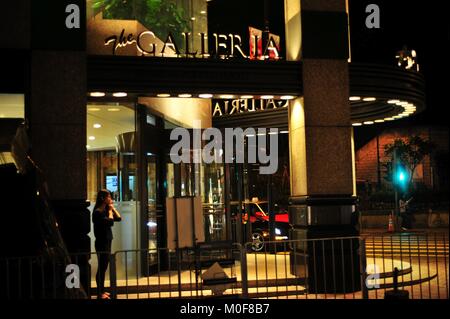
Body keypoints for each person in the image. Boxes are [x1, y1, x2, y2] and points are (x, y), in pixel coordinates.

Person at [92, 189, 122, 299]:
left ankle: (102, 290)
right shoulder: (97, 212)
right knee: (102, 267)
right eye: (108, 196)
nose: (110, 198)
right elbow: (110, 222)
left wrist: (112, 208)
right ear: (102, 198)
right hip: (101, 242)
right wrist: (110, 211)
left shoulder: (105, 210)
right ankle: (100, 292)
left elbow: (118, 218)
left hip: (107, 241)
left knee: (104, 267)